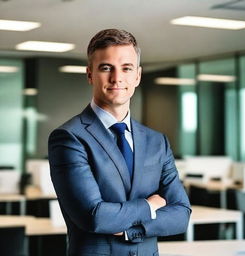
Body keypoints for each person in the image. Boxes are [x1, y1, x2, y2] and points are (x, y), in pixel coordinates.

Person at [48, 28, 191, 256]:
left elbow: (181, 215)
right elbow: (94, 216)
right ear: (90, 74)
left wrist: (129, 229)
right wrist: (149, 206)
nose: (117, 78)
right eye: (106, 68)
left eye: (126, 68)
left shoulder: (157, 142)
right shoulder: (69, 137)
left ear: (138, 75)